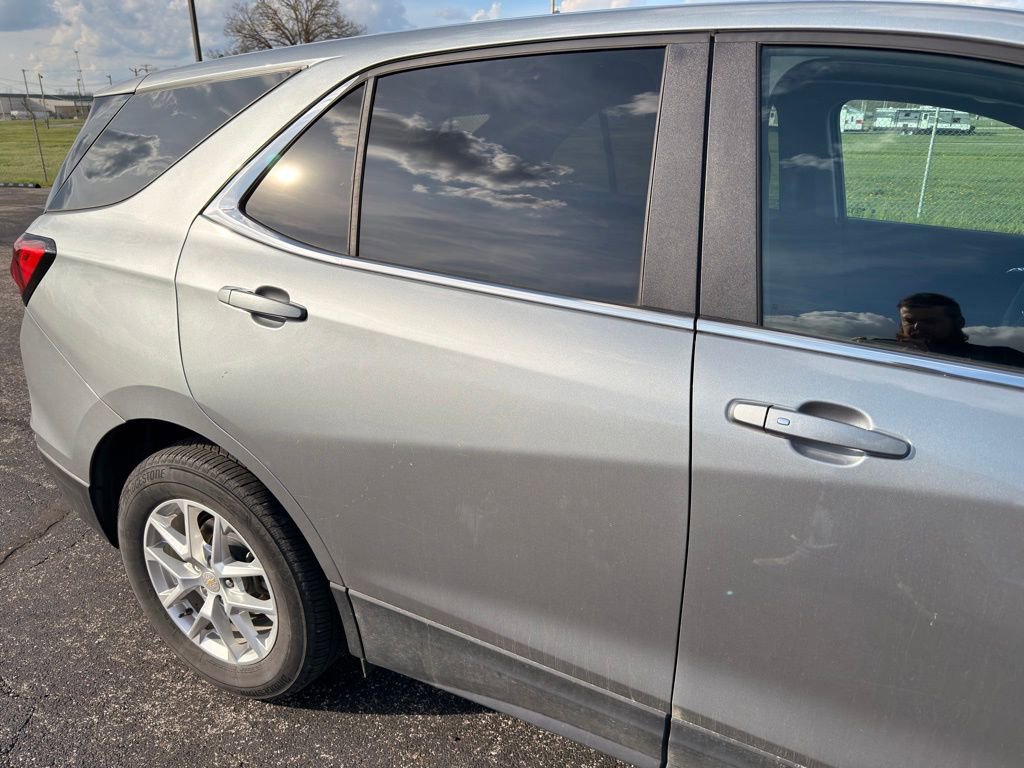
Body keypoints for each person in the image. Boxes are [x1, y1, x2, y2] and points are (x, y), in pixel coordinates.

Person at [890, 292, 1024, 368]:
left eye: (930, 321)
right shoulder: (881, 348)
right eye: (909, 321)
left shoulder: (1001, 358)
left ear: (959, 323)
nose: (917, 327)